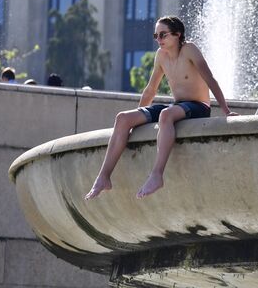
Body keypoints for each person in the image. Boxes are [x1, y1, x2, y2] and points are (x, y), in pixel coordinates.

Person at [85, 16, 238, 200]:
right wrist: (137, 116)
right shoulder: (161, 55)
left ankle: (157, 175)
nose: (159, 40)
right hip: (178, 106)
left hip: (199, 107)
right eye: (156, 36)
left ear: (177, 34)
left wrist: (226, 110)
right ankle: (103, 177)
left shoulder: (189, 50)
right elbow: (151, 89)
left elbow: (210, 79)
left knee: (166, 115)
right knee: (123, 118)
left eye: (163, 35)